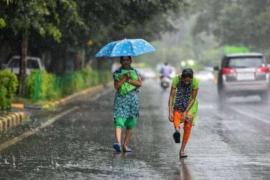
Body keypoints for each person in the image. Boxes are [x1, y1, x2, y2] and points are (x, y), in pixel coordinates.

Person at [112, 56, 142, 153]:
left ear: (130, 61)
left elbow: (139, 84)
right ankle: (118, 143)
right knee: (119, 120)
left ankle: (125, 145)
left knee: (130, 122)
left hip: (133, 100)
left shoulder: (135, 72)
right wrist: (124, 78)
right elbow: (116, 86)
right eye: (123, 60)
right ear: (121, 61)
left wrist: (129, 80)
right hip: (121, 99)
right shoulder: (117, 73)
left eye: (127, 60)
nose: (126, 62)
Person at [168, 68, 199, 159]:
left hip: (190, 104)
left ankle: (182, 150)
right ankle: (177, 131)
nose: (186, 82)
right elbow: (172, 95)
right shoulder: (176, 79)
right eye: (185, 80)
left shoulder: (195, 82)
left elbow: (193, 98)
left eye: (188, 80)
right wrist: (170, 111)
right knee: (176, 115)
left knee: (188, 126)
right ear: (181, 78)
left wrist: (186, 112)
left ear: (192, 79)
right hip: (178, 100)